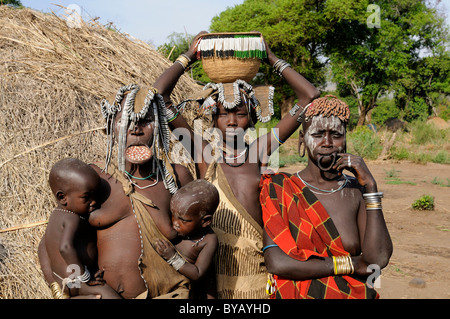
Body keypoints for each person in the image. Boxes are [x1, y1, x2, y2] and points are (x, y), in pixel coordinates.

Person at [153, 31, 320, 298]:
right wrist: (188, 57)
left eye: (241, 114)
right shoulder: (203, 154)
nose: (232, 122)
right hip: (210, 280)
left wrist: (270, 58)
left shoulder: (259, 152)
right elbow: (159, 95)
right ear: (212, 120)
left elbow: (309, 97)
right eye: (222, 115)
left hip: (256, 277)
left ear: (252, 119)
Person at [39, 85, 194, 299]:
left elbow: (202, 242)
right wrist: (63, 289)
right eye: (125, 121)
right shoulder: (93, 180)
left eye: (145, 121)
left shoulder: (176, 178)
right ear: (111, 127)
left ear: (159, 126)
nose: (135, 129)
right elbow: (51, 243)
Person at [260, 95, 393, 299]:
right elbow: (278, 263)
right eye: (318, 133)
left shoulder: (356, 191)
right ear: (302, 138)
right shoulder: (280, 189)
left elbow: (377, 260)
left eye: (336, 134)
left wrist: (371, 188)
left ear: (345, 138)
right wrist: (351, 263)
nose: (328, 142)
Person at [40, 157, 120, 299]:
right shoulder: (72, 219)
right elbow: (65, 247)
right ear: (62, 197)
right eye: (86, 197)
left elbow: (43, 246)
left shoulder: (57, 215)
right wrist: (85, 277)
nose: (94, 202)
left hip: (66, 281)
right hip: (75, 282)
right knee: (109, 296)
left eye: (95, 195)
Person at [154, 179, 219, 298]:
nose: (176, 223)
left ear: (205, 221)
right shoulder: (173, 227)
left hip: (184, 292)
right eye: (173, 216)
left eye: (184, 220)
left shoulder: (209, 240)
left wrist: (173, 257)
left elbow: (198, 273)